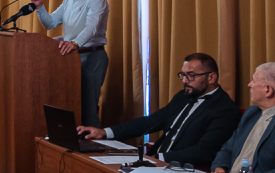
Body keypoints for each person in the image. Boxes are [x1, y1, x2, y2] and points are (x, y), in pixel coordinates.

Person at [77, 53, 241, 166]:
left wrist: (159, 157)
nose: (184, 81)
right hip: (154, 161)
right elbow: (150, 122)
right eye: (182, 75)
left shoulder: (225, 110)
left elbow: (205, 151)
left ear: (211, 77)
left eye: (191, 75)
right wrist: (104, 132)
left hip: (181, 169)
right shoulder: (182, 97)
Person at [31, 0, 111, 126]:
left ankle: (92, 148)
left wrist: (74, 43)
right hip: (70, 57)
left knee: (88, 109)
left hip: (91, 57)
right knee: (70, 105)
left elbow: (91, 28)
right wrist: (40, 8)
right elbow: (51, 23)